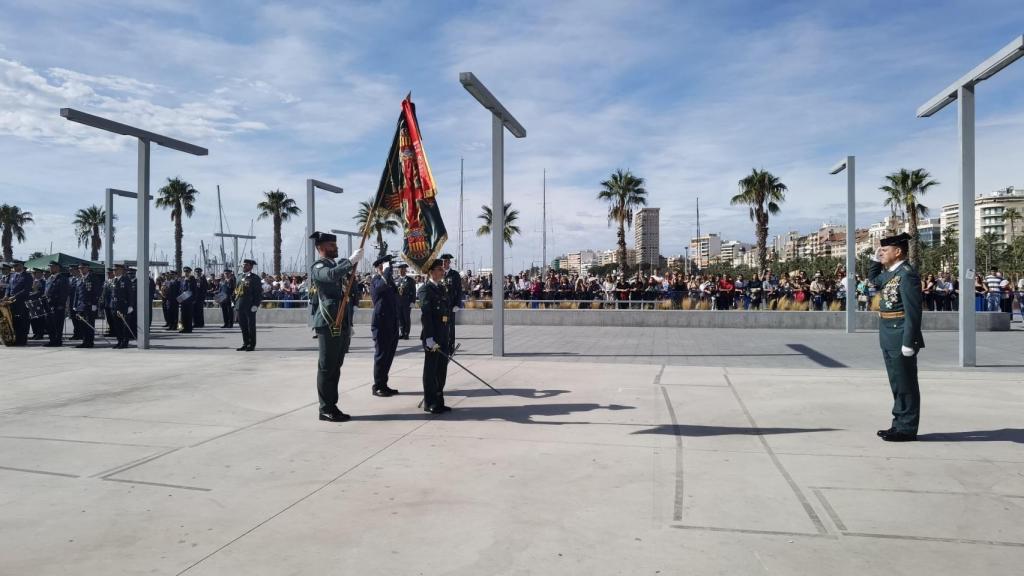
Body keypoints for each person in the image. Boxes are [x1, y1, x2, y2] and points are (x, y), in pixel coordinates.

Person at [868, 233, 924, 442]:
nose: (881, 253)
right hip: (888, 333)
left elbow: (913, 311)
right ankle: (898, 424)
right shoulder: (892, 273)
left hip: (900, 334)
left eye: (885, 250)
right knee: (897, 382)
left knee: (906, 383)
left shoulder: (907, 274)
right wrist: (875, 260)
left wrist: (909, 341)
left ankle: (907, 428)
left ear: (898, 252)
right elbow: (874, 280)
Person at [308, 231, 363, 422]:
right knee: (327, 367)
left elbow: (347, 289)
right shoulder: (319, 266)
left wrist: (350, 322)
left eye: (335, 244)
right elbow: (330, 276)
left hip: (341, 322)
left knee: (336, 366)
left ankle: (332, 405)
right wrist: (349, 261)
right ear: (321, 248)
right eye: (331, 245)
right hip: (328, 321)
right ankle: (325, 408)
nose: (335, 247)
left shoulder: (338, 266)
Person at [419, 258, 452, 414]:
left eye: (442, 269)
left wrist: (449, 336)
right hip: (432, 336)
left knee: (441, 370)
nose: (442, 271)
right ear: (431, 272)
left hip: (443, 335)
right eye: (439, 269)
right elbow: (426, 315)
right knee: (431, 370)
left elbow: (446, 314)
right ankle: (429, 402)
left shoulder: (442, 288)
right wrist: (429, 338)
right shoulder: (425, 290)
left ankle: (439, 400)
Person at [370, 255, 400, 397]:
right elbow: (380, 289)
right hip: (381, 323)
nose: (387, 269)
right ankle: (377, 386)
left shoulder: (389, 281)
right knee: (381, 355)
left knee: (389, 355)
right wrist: (386, 272)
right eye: (383, 267)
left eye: (387, 267)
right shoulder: (376, 280)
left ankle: (384, 383)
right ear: (378, 268)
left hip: (392, 322)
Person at [71, 263, 101, 348]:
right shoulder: (79, 279)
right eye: (79, 268)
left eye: (82, 268)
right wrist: (75, 304)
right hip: (81, 306)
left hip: (89, 305)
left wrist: (95, 304)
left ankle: (89, 342)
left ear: (87, 268)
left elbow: (97, 292)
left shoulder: (93, 278)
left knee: (89, 325)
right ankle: (84, 341)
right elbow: (77, 294)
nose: (80, 269)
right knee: (82, 325)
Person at [234, 260, 262, 351]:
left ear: (251, 266)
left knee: (251, 326)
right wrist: (233, 301)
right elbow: (236, 290)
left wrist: (256, 305)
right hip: (239, 305)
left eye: (246, 265)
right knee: (243, 326)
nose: (244, 266)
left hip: (249, 306)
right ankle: (245, 343)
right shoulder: (239, 277)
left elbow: (258, 293)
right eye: (243, 265)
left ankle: (252, 344)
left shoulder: (255, 278)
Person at [3, 259, 31, 345]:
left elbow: (26, 290)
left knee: (22, 322)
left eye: (16, 266)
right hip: (12, 303)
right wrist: (6, 296)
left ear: (21, 266)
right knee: (14, 321)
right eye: (14, 266)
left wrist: (15, 296)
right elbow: (9, 287)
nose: (14, 267)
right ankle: (15, 339)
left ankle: (22, 340)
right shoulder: (12, 276)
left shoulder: (27, 276)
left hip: (22, 302)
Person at [43, 261, 70, 347]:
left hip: (57, 305)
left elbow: (64, 293)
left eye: (52, 267)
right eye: (50, 267)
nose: (50, 268)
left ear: (58, 268)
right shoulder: (49, 278)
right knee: (49, 324)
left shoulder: (62, 278)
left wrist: (61, 304)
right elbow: (46, 291)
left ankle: (57, 341)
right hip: (48, 305)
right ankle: (52, 340)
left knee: (57, 324)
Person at [109, 263, 133, 348]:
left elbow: (130, 293)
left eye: (116, 270)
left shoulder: (126, 280)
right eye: (114, 270)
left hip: (123, 305)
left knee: (124, 325)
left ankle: (125, 342)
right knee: (117, 325)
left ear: (121, 270)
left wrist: (130, 305)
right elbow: (111, 294)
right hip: (114, 305)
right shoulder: (113, 280)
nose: (114, 271)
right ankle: (119, 341)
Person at [440, 254, 463, 343]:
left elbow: (459, 290)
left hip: (451, 304)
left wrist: (457, 304)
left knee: (450, 326)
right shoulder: (439, 273)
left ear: (449, 262)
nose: (444, 263)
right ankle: (443, 345)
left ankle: (451, 346)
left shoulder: (454, 274)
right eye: (443, 261)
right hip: (441, 305)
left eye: (446, 261)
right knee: (441, 325)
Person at [396, 262, 416, 339]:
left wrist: (413, 302)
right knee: (400, 318)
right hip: (398, 302)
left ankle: (406, 333)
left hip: (407, 302)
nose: (401, 271)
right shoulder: (397, 279)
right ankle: (401, 332)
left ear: (405, 271)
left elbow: (413, 291)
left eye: (403, 270)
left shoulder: (410, 280)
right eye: (400, 270)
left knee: (406, 318)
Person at [28, 267, 47, 340]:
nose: (35, 274)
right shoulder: (32, 281)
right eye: (34, 273)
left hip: (40, 302)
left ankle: (40, 334)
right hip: (31, 303)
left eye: (37, 273)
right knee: (33, 319)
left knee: (40, 319)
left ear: (41, 274)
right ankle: (35, 333)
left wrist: (32, 294)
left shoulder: (43, 282)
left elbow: (42, 292)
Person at [178, 267, 196, 333]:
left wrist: (194, 299)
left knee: (189, 315)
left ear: (189, 272)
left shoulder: (192, 279)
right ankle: (181, 329)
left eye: (187, 272)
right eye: (185, 272)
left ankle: (189, 329)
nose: (186, 273)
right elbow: (180, 289)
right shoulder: (182, 279)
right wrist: (179, 298)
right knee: (182, 315)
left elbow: (194, 290)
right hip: (183, 300)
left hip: (189, 300)